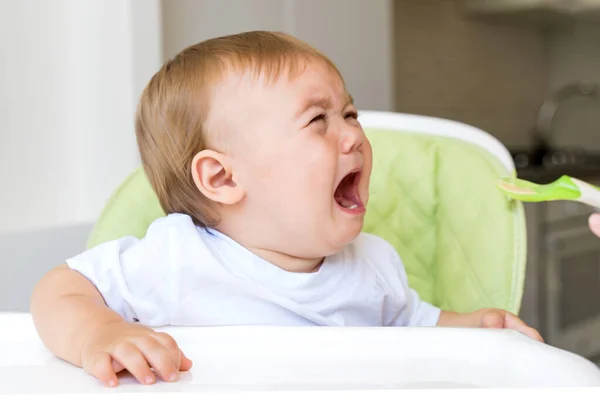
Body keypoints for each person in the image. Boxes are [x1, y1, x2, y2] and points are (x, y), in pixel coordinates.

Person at [29, 31, 543, 388]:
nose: (355, 135)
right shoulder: (175, 258)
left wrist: (475, 327)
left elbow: (416, 323)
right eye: (318, 120)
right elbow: (60, 290)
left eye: (349, 113)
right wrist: (101, 333)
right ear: (224, 178)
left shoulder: (374, 266)